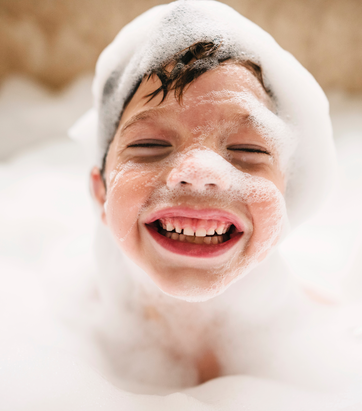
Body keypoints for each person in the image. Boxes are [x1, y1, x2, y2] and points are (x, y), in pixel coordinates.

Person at [69, 0, 336, 390]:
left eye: (249, 152)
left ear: (286, 196)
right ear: (100, 193)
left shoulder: (329, 341)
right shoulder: (64, 340)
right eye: (149, 145)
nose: (198, 174)